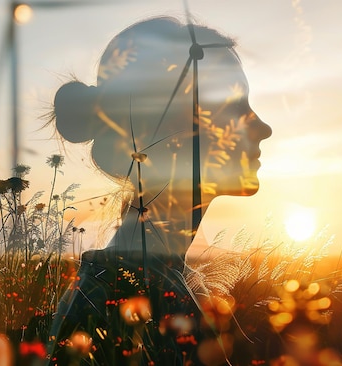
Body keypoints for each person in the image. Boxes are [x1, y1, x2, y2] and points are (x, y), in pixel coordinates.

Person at [46, 16, 271, 365]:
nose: (263, 127)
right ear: (171, 131)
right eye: (235, 106)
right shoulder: (138, 297)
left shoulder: (145, 277)